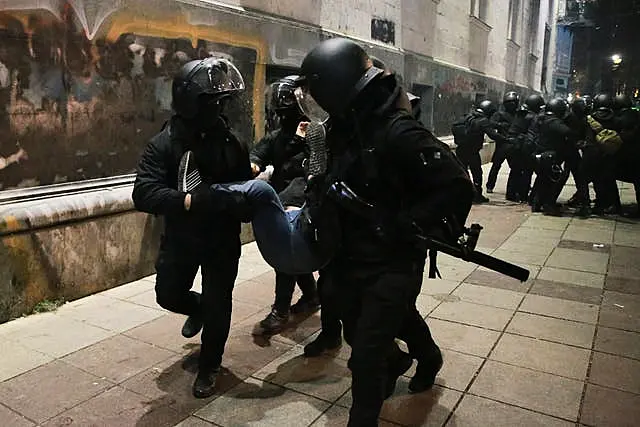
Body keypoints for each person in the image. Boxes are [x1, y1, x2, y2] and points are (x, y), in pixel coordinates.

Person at [296, 37, 474, 426]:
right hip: (350, 253)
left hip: (393, 258)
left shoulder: (398, 132)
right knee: (360, 328)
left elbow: (457, 186)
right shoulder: (345, 128)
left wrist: (406, 223)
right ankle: (424, 356)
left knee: (365, 356)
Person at [131, 57, 253, 399]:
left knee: (219, 304)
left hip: (221, 239)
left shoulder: (232, 142)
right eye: (215, 102)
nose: (222, 109)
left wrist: (241, 203)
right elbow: (144, 192)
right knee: (167, 294)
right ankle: (196, 309)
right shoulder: (164, 143)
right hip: (183, 237)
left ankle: (210, 365)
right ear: (193, 103)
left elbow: (244, 188)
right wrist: (189, 201)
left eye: (223, 102)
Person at [250, 76, 320, 334]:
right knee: (290, 254)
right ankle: (312, 296)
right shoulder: (278, 136)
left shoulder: (316, 133)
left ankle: (280, 310)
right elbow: (260, 153)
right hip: (282, 200)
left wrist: (301, 141)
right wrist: (253, 164)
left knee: (286, 255)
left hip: (303, 201)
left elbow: (315, 169)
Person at [531, 98, 576, 215]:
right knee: (553, 181)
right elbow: (567, 132)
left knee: (542, 180)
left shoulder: (540, 118)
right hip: (551, 156)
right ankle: (549, 205)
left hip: (540, 154)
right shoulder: (554, 121)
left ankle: (536, 203)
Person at [452, 99, 503, 203]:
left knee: (462, 173)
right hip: (472, 152)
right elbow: (493, 135)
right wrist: (508, 140)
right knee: (477, 174)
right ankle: (477, 195)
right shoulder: (483, 120)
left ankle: (462, 194)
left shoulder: (467, 117)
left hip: (461, 149)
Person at [582, 93, 622, 214]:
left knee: (594, 179)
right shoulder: (616, 119)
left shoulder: (590, 119)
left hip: (593, 153)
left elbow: (587, 137)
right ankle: (613, 204)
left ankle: (598, 204)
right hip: (609, 154)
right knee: (609, 179)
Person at [506, 94, 545, 203]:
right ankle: (523, 194)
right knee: (527, 172)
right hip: (522, 146)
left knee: (515, 171)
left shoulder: (521, 114)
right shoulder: (531, 117)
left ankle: (511, 194)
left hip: (514, 144)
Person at [486, 92, 519, 193]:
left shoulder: (518, 114)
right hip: (502, 144)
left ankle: (514, 188)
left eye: (513, 102)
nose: (512, 105)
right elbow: (491, 123)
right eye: (510, 102)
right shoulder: (500, 114)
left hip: (512, 144)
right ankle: (490, 186)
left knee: (515, 168)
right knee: (496, 166)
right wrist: (500, 125)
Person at [562, 97, 590, 210]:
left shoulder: (576, 118)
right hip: (570, 149)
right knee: (577, 176)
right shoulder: (580, 118)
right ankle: (584, 200)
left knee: (575, 176)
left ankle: (584, 200)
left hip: (570, 149)